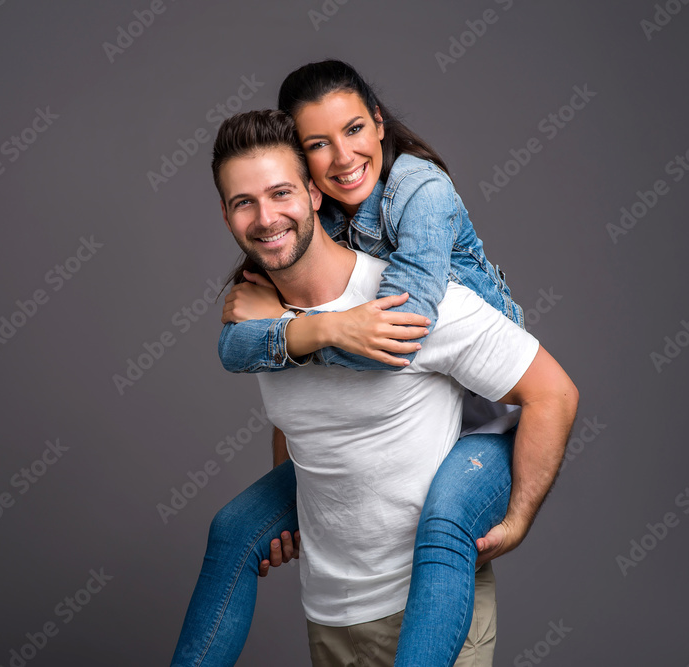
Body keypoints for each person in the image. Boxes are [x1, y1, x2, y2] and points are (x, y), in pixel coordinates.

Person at [170, 109, 578, 667]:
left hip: (427, 609)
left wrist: (519, 519)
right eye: (244, 202)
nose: (266, 218)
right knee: (230, 530)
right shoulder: (261, 317)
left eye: (281, 193)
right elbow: (298, 418)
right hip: (331, 617)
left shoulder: (406, 304)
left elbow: (554, 393)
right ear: (225, 214)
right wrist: (292, 513)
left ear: (315, 193)